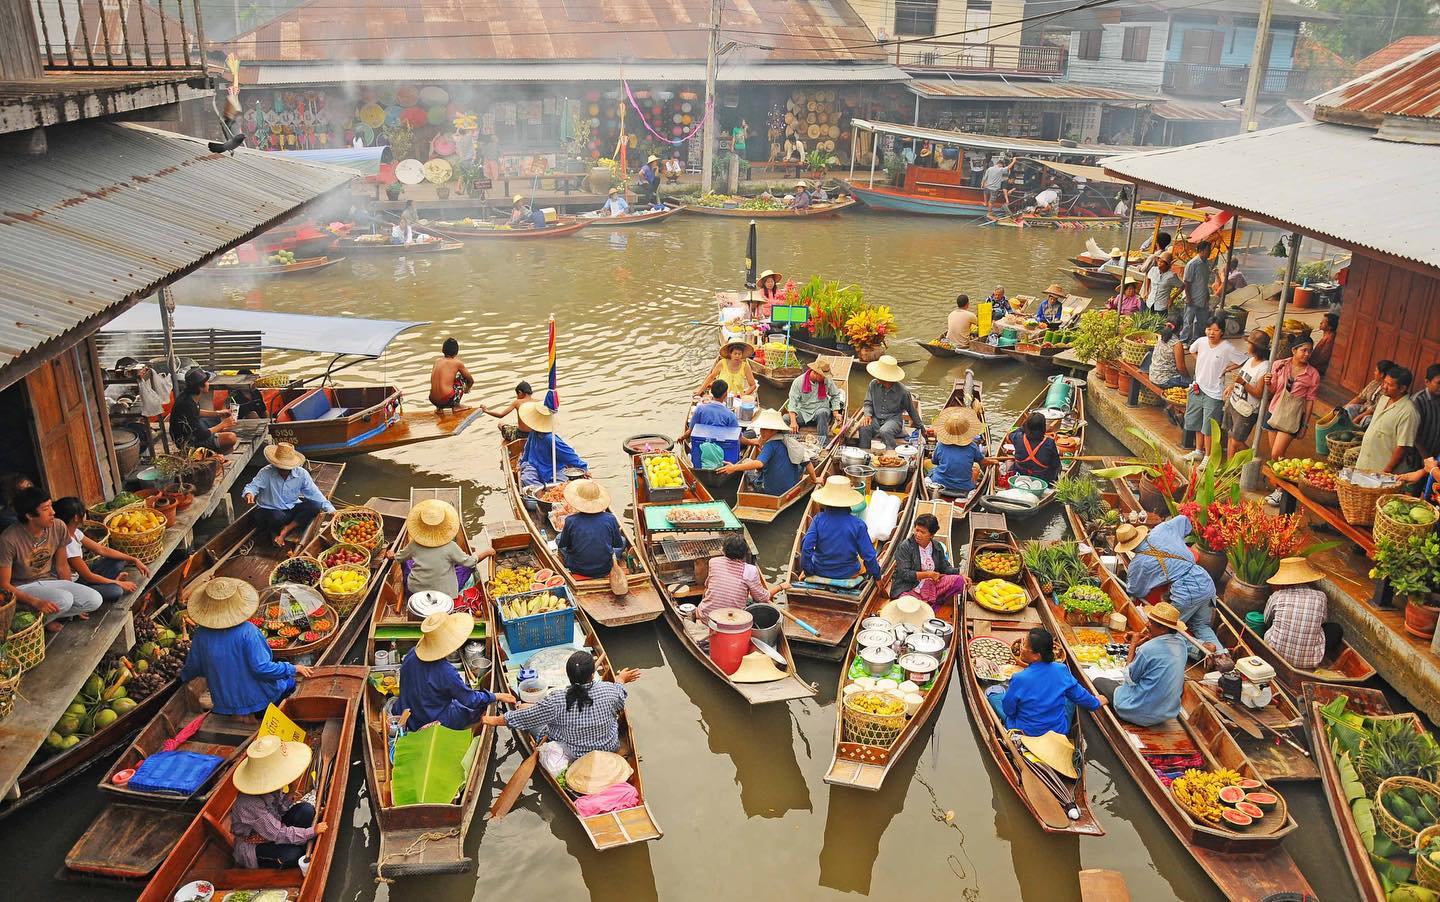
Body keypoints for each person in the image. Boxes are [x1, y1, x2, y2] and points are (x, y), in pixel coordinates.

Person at [179, 576, 311, 716]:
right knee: (289, 682)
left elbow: (194, 667)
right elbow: (261, 668)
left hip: (224, 704)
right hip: (259, 702)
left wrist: (182, 677)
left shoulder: (201, 635)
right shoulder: (249, 631)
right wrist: (293, 668)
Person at [481, 650, 640, 762]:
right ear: (593, 674)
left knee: (526, 713)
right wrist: (620, 679)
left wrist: (490, 720)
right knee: (530, 710)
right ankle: (527, 706)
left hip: (576, 755)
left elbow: (521, 719)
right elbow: (620, 695)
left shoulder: (557, 700)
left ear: (569, 676)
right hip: (609, 747)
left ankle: (524, 705)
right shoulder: (609, 690)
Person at [0, 486, 103, 629]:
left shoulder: (58, 526)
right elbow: (4, 585)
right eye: (46, 509)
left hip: (49, 580)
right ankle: (35, 624)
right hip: (23, 587)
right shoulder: (9, 539)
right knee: (64, 600)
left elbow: (62, 566)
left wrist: (72, 603)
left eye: (51, 506)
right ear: (29, 515)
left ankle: (51, 615)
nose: (53, 512)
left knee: (93, 600)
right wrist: (35, 602)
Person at [1121, 516, 1224, 654]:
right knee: (1200, 625)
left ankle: (1200, 649)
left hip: (1186, 590)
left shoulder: (1138, 564)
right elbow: (1184, 520)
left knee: (1165, 631)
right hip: (1204, 579)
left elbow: (1135, 590)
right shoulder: (1161, 530)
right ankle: (1222, 655)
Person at [399, 612, 513, 730]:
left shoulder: (412, 653)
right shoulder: (445, 671)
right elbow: (471, 700)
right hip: (431, 720)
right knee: (474, 709)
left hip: (410, 712)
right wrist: (495, 696)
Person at [229, 735, 326, 869]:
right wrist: (312, 832)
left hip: (274, 829)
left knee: (306, 810)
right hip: (256, 845)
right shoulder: (250, 804)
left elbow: (279, 811)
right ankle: (298, 844)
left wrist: (291, 791)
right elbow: (278, 833)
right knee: (294, 854)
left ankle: (299, 840)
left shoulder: (271, 786)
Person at [986, 627, 1104, 734]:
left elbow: (1009, 710)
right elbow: (1081, 696)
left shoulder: (1019, 678)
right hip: (1057, 731)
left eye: (1025, 646)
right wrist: (1097, 703)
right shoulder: (1062, 670)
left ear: (1036, 656)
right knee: (1069, 697)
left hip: (1026, 732)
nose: (1022, 649)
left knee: (993, 694)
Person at [1091, 601, 1189, 727]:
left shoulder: (1148, 649)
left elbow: (1130, 677)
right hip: (1166, 713)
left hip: (1138, 711)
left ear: (1163, 628)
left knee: (1099, 681)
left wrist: (1133, 646)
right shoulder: (1181, 645)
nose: (1147, 624)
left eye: (1151, 623)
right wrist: (1147, 638)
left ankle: (1108, 711)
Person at [54, 496, 147, 604]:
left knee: (118, 560)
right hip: (76, 584)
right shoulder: (67, 543)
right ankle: (111, 583)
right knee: (115, 591)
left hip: (82, 576)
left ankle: (108, 582)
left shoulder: (75, 532)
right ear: (75, 518)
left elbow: (101, 549)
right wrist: (119, 584)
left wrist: (134, 559)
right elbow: (88, 576)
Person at [392, 498, 489, 598]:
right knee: (467, 568)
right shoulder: (451, 546)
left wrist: (392, 555)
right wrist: (487, 552)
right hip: (444, 594)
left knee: (406, 562)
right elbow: (470, 562)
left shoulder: (414, 544)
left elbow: (398, 557)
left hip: (416, 590)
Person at [243, 442, 335, 547]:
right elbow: (252, 486)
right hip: (270, 511)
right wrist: (249, 493)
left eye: (285, 468)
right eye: (280, 467)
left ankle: (286, 529)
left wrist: (331, 509)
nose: (283, 470)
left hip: (290, 509)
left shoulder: (301, 474)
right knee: (276, 517)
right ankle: (277, 531)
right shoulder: (266, 472)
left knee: (314, 506)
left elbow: (314, 493)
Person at [1185, 318, 1249, 463]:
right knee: (1196, 421)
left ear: (1222, 332)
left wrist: (1227, 368)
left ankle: (1208, 456)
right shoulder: (1201, 342)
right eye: (1209, 329)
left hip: (1213, 392)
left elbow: (1244, 361)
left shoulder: (1227, 348)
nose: (1211, 333)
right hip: (1197, 387)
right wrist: (1200, 360)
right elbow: (1191, 350)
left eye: (1216, 330)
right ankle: (1198, 451)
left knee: (1208, 427)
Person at [716, 408, 817, 496]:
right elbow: (807, 462)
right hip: (790, 488)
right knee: (799, 467)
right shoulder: (790, 442)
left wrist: (734, 468)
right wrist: (814, 479)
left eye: (766, 430)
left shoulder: (770, 445)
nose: (762, 432)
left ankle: (752, 487)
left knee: (745, 461)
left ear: (774, 431)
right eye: (762, 429)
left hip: (770, 490)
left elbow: (759, 463)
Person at [799, 476, 881, 583]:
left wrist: (808, 571)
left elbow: (806, 549)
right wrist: (877, 577)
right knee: (862, 562)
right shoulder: (858, 524)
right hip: (848, 573)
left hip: (820, 570)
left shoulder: (818, 520)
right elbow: (869, 556)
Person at [1263, 557, 1337, 671]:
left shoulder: (1278, 596)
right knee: (1336, 629)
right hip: (1311, 661)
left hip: (1276, 653)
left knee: (1270, 623)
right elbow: (1323, 621)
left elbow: (1266, 620)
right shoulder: (1321, 597)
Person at [697, 534, 787, 621]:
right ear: (744, 553)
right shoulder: (751, 571)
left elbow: (708, 586)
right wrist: (780, 587)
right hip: (733, 622)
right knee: (752, 601)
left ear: (724, 550)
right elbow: (762, 598)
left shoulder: (714, 562)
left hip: (705, 616)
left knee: (706, 591)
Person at [1262, 337, 1321, 467]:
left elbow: (1310, 401)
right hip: (1273, 411)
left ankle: (1280, 483)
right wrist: (1268, 383)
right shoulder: (1279, 365)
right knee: (1276, 456)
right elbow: (1273, 389)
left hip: (1291, 416)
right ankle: (1278, 484)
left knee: (1276, 454)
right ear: (1294, 350)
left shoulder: (1313, 374)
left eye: (1310, 351)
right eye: (1304, 350)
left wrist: (1304, 425)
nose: (1307, 354)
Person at [556, 479, 627, 579]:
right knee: (623, 540)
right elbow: (618, 544)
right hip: (605, 567)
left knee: (558, 538)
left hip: (577, 567)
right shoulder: (610, 518)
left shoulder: (570, 520)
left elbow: (563, 544)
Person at [1356, 366, 1419, 474]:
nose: (1384, 387)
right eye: (1384, 382)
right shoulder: (1383, 399)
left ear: (1402, 388)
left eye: (1389, 385)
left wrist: (1387, 469)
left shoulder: (1408, 412)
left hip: (1380, 470)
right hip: (1363, 463)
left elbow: (1403, 446)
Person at [890, 512, 964, 604]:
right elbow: (905, 574)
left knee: (959, 581)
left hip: (930, 585)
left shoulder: (937, 546)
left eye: (923, 532)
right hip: (909, 587)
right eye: (917, 530)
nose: (918, 534)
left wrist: (961, 573)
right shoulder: (906, 546)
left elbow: (945, 568)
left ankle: (934, 602)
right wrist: (928, 574)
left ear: (931, 535)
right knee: (908, 604)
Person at [1221, 330, 1272, 460]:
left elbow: (1259, 394)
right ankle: (1229, 466)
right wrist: (1232, 386)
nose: (1247, 346)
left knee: (1237, 441)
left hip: (1247, 411)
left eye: (1249, 343)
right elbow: (1240, 377)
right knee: (1231, 436)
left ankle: (1253, 458)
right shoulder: (1250, 361)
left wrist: (1242, 383)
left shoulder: (1264, 368)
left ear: (1256, 347)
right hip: (1234, 402)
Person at [859, 355, 924, 450]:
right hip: (876, 418)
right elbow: (868, 403)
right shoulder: (873, 384)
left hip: (893, 420)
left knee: (885, 431)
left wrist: (921, 428)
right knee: (864, 427)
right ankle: (864, 454)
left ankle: (891, 454)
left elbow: (911, 410)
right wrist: (867, 415)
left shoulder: (903, 391)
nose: (876, 378)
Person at [517, 401, 587, 486]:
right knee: (526, 478)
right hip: (534, 466)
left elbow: (569, 454)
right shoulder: (533, 433)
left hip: (552, 469)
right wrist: (522, 463)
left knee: (563, 485)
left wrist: (583, 468)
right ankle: (541, 492)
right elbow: (527, 450)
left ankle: (545, 491)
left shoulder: (551, 439)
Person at [171, 369, 238, 452]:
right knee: (231, 437)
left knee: (221, 419)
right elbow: (202, 435)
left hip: (192, 430)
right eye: (207, 382)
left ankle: (217, 444)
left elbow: (196, 412)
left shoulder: (188, 395)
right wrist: (223, 424)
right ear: (200, 387)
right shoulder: (188, 404)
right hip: (188, 441)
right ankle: (214, 453)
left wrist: (218, 413)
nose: (208, 384)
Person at [682, 381, 742, 470]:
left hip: (703, 446)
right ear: (725, 394)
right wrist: (752, 442)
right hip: (723, 452)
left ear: (711, 392)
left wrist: (682, 437)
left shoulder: (700, 409)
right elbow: (739, 437)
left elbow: (690, 430)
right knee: (750, 433)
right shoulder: (730, 414)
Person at [928, 406, 987, 496]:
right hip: (965, 486)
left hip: (940, 482)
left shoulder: (940, 445)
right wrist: (994, 462)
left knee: (929, 466)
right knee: (976, 468)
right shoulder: (972, 447)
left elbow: (934, 461)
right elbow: (982, 462)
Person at [785, 358, 842, 441]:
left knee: (821, 413)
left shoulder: (827, 380)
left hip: (821, 410)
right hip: (804, 412)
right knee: (786, 419)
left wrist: (836, 413)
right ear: (815, 373)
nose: (824, 378)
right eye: (822, 376)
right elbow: (792, 402)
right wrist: (793, 421)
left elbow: (835, 395)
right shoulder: (798, 382)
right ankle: (795, 441)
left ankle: (823, 443)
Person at [1006, 411, 1061, 485]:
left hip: (1020, 475)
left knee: (1011, 461)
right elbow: (1056, 464)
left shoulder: (1017, 437)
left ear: (1027, 426)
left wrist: (1024, 427)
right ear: (1043, 427)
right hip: (1042, 479)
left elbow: (1009, 435)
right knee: (1058, 466)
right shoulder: (1049, 442)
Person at [1345, 359, 1397, 427]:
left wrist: (1357, 419)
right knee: (1349, 408)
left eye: (1376, 370)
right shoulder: (1374, 383)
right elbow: (1360, 397)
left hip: (1372, 415)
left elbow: (1373, 410)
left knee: (1366, 420)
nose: (1374, 372)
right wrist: (1343, 408)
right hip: (1363, 409)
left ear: (1382, 374)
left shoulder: (1387, 391)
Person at [1180, 241, 1214, 342]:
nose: (1209, 253)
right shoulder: (1192, 264)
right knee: (1188, 321)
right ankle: (1184, 340)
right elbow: (1186, 282)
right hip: (1193, 298)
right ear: (1201, 251)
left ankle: (1197, 340)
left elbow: (1204, 281)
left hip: (1202, 297)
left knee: (1202, 321)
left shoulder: (1206, 263)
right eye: (1208, 250)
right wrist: (1188, 298)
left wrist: (1207, 294)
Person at [429, 336, 474, 411]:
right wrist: (467, 389)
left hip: (433, 400)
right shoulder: (457, 363)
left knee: (442, 379)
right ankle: (456, 406)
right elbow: (471, 380)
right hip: (446, 400)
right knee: (461, 377)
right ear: (456, 352)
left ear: (443, 350)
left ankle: (439, 408)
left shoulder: (437, 361)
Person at [1146, 321, 1190, 390]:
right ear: (1181, 328)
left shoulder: (1161, 336)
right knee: (1193, 384)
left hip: (1153, 375)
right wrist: (1188, 379)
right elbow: (1181, 368)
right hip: (1165, 381)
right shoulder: (1177, 344)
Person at [1412, 363, 1440, 461]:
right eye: (1439, 383)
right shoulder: (1418, 401)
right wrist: (1426, 458)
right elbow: (1413, 435)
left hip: (1435, 459)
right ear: (1427, 382)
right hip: (1415, 458)